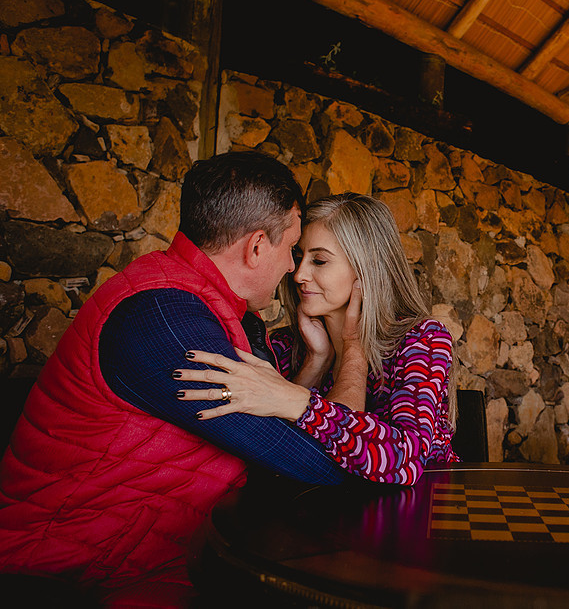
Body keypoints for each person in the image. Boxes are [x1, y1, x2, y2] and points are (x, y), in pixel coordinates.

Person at [0, 152, 353, 607]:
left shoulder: (213, 310)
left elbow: (281, 450)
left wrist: (316, 365)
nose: (292, 268)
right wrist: (357, 351)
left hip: (153, 558)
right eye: (292, 249)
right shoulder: (162, 322)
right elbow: (320, 462)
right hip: (62, 572)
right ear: (258, 246)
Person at [175, 193, 459, 486]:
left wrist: (297, 398)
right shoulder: (287, 345)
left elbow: (404, 459)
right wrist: (316, 362)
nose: (298, 275)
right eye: (298, 257)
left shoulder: (421, 340)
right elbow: (274, 454)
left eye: (319, 260)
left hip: (417, 514)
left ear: (367, 268)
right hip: (319, 516)